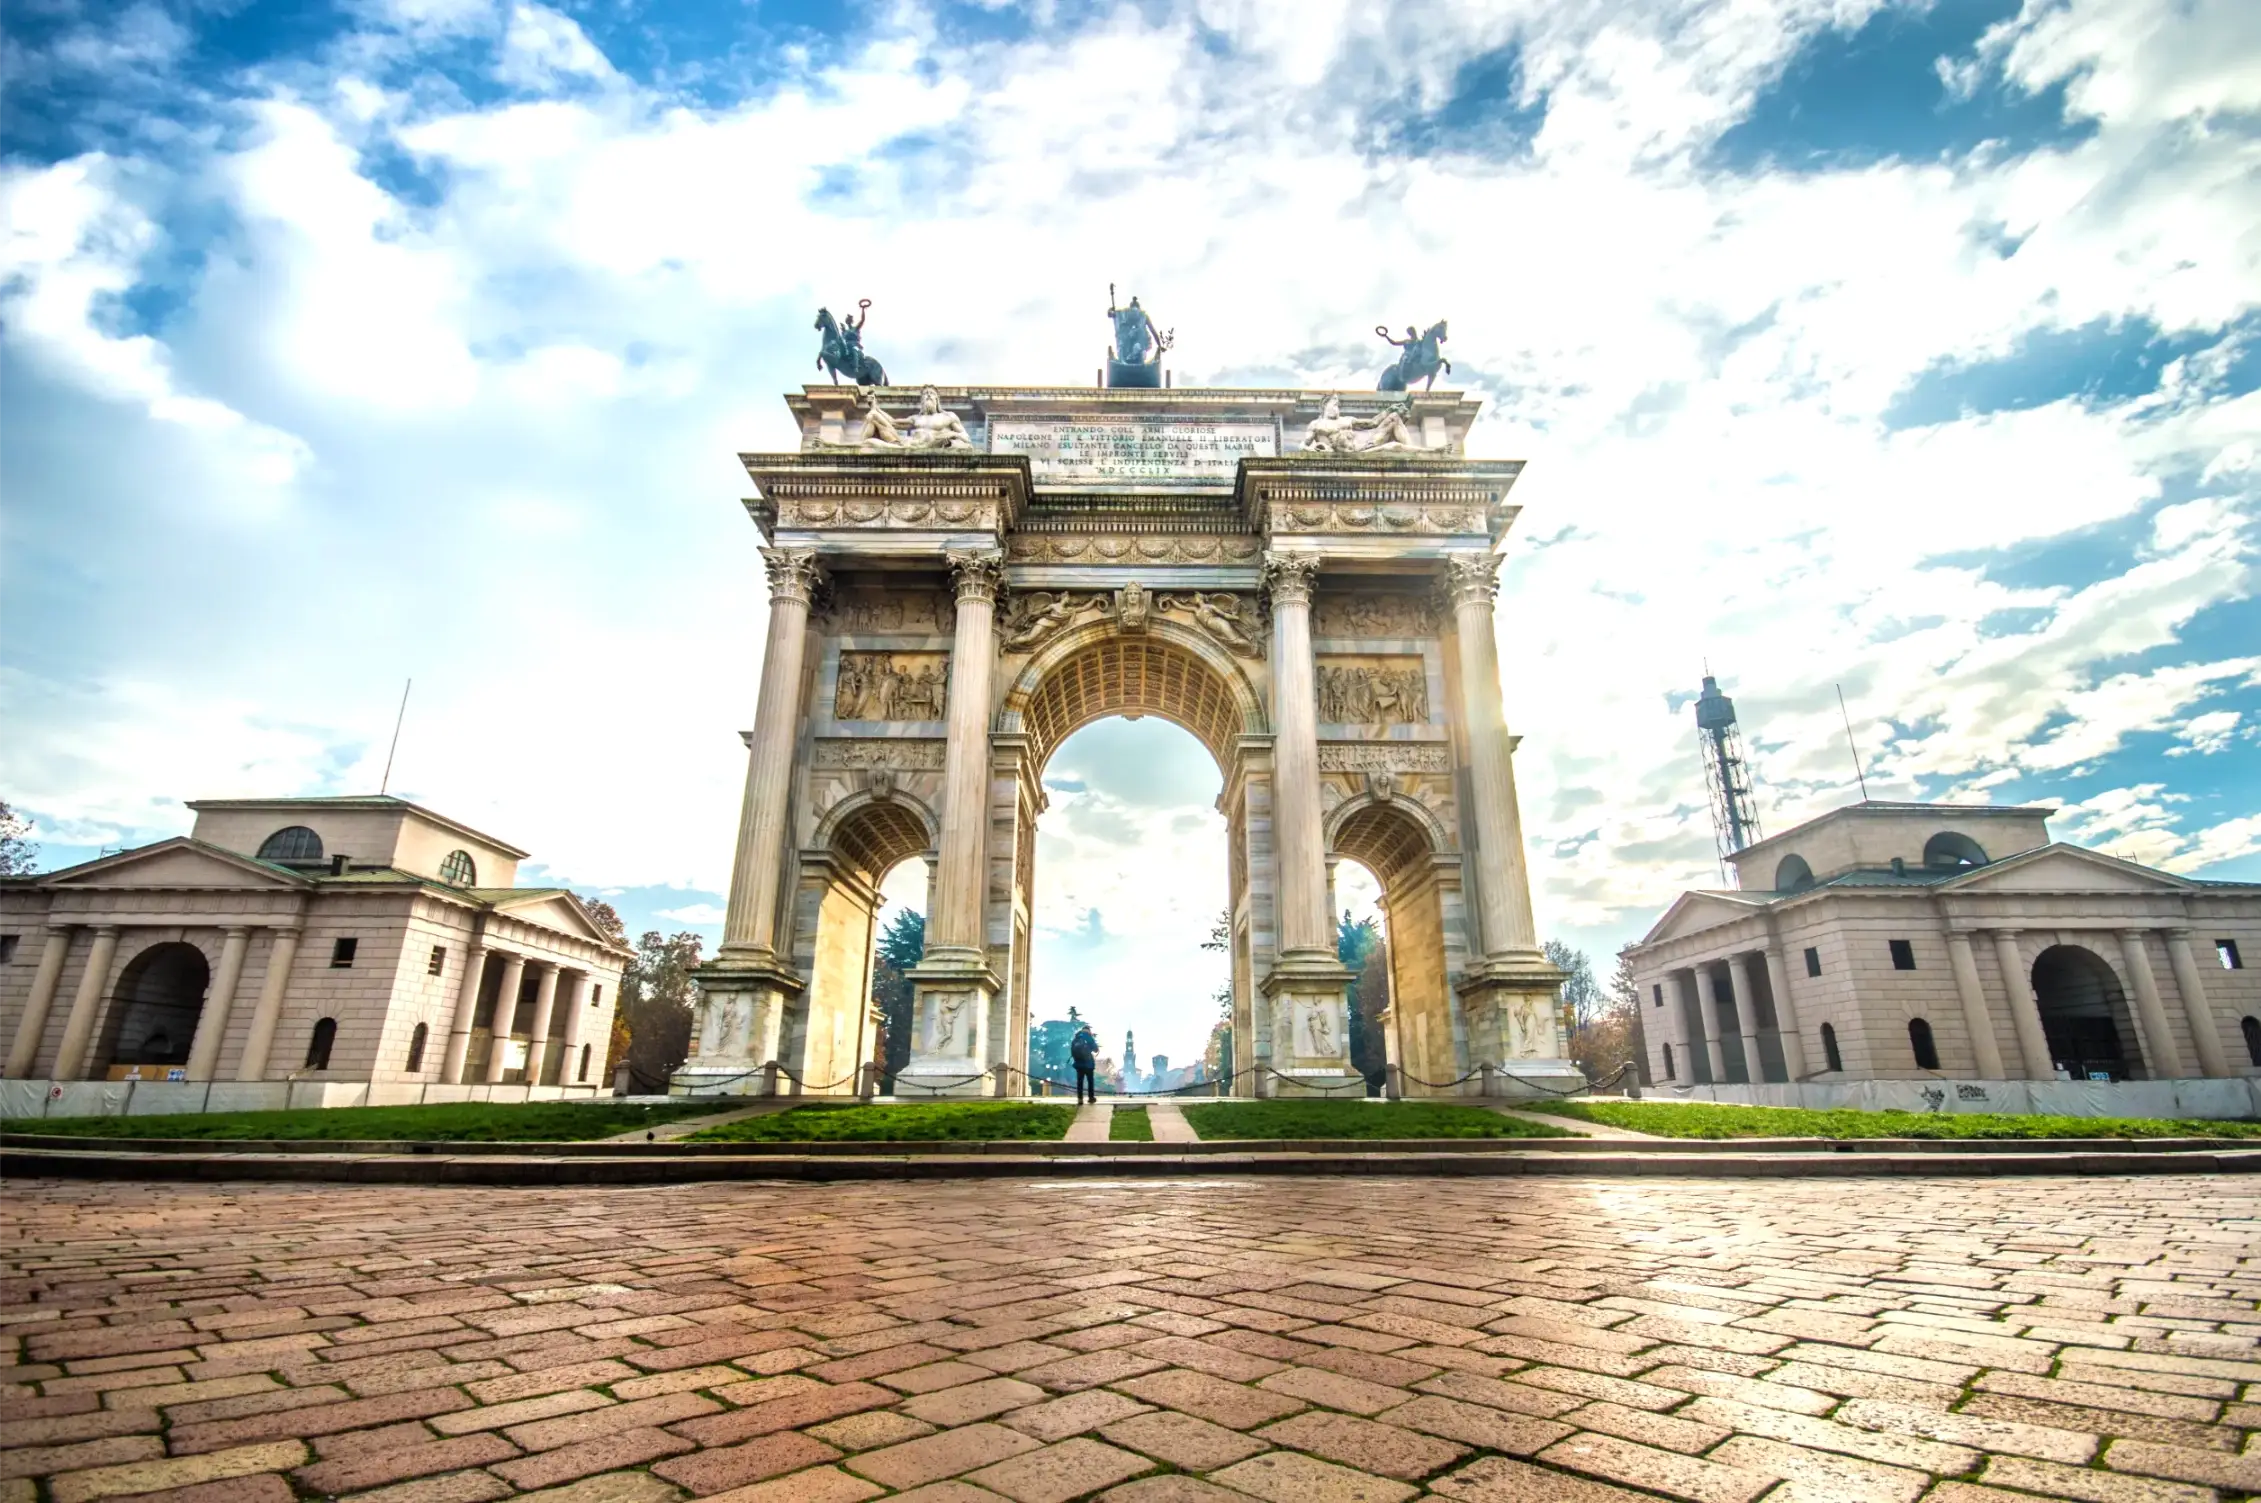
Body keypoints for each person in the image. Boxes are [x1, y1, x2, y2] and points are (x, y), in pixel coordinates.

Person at [1070, 1023, 1099, 1104]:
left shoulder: (1076, 1038)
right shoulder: (1089, 1037)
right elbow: (1096, 1049)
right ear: (1089, 1031)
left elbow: (1072, 1051)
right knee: (1090, 1081)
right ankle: (1091, 1097)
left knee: (1080, 1081)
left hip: (1079, 1064)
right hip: (1088, 1064)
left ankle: (1080, 1099)